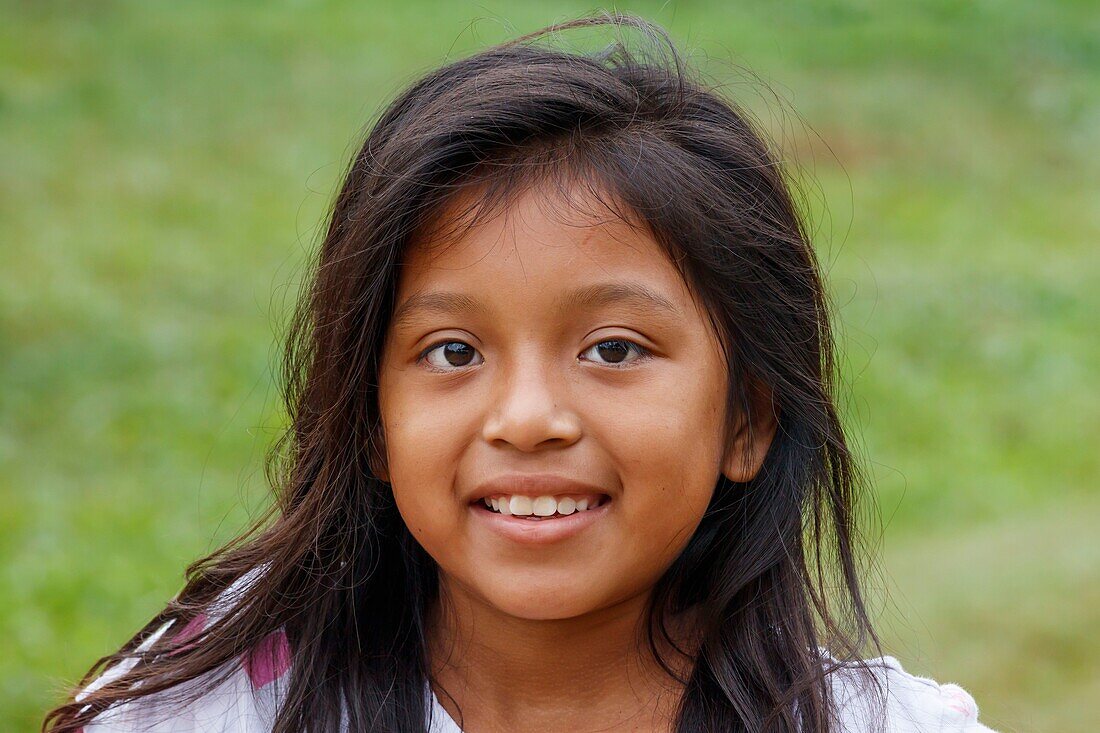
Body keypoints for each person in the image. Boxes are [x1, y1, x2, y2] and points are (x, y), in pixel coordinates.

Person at [45, 13, 999, 733]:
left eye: (614, 349)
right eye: (453, 353)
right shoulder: (202, 711)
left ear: (748, 419)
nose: (529, 418)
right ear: (371, 420)